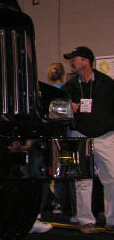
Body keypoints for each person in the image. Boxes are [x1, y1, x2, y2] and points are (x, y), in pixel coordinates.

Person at [62, 46, 114, 234]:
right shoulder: (70, 86)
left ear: (85, 61)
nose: (71, 62)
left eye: (74, 59)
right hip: (80, 135)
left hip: (105, 136)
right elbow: (59, 110)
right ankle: (85, 220)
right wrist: (70, 108)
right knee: (82, 179)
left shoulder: (106, 83)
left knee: (112, 178)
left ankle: (112, 219)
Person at [47, 62, 77, 222]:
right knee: (71, 174)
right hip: (69, 136)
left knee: (58, 173)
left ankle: (58, 205)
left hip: (58, 138)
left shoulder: (50, 93)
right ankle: (74, 210)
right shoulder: (68, 90)